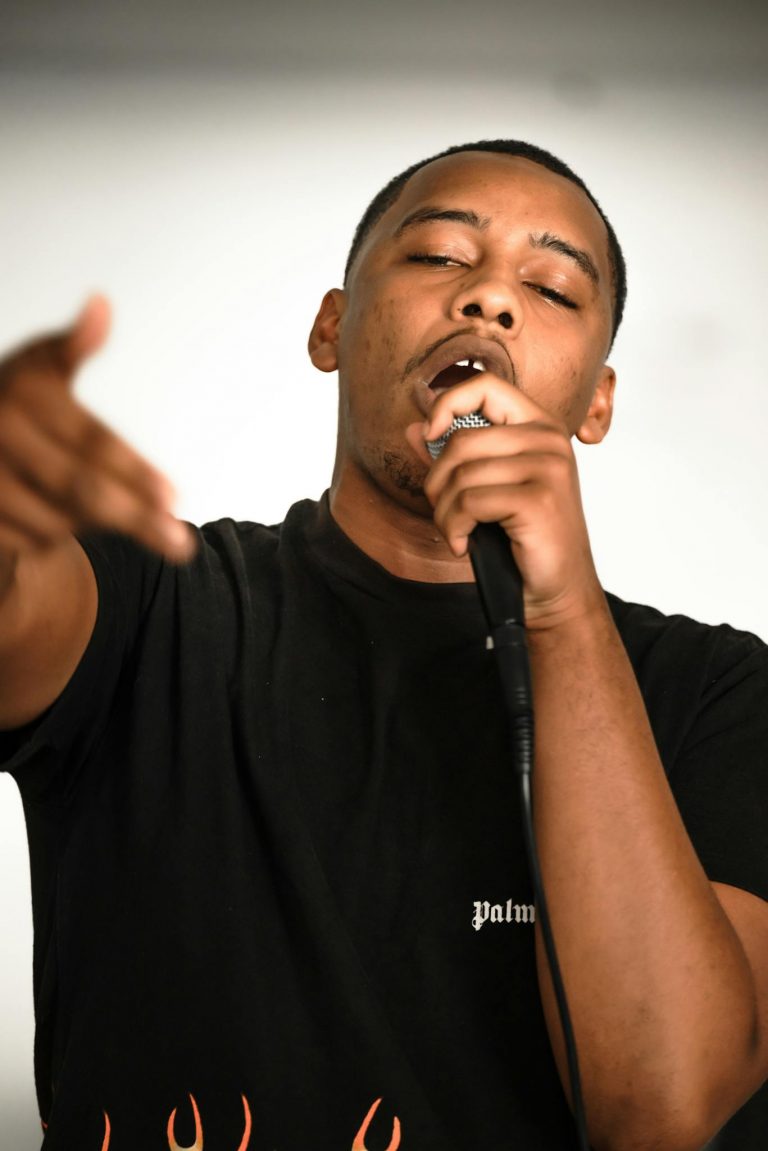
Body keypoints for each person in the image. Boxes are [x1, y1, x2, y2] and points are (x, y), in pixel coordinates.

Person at [0, 138, 766, 1151]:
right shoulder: (154, 601)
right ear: (332, 325)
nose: (488, 299)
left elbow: (661, 1106)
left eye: (550, 287)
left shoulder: (719, 694)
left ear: (598, 403)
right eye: (440, 256)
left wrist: (562, 609)